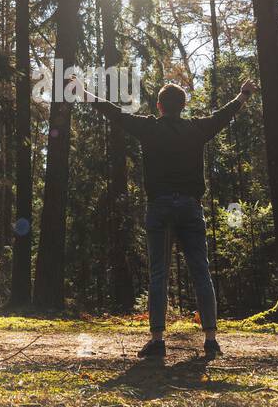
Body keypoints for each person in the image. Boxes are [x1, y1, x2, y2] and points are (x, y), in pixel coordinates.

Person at [92, 77, 258, 359]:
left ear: (159, 106)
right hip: (191, 207)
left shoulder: (148, 128)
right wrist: (242, 95)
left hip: (159, 207)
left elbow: (115, 113)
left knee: (159, 273)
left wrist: (85, 93)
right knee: (201, 271)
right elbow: (223, 116)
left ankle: (157, 340)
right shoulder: (196, 129)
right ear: (183, 106)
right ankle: (211, 339)